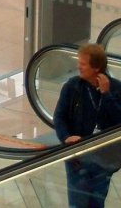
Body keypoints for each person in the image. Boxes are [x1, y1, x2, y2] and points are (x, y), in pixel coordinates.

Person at [53, 43, 121, 207]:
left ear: (96, 68)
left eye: (83, 64)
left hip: (104, 159)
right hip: (77, 156)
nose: (79, 67)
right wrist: (67, 137)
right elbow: (59, 116)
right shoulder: (72, 86)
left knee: (97, 202)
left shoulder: (117, 88)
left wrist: (106, 95)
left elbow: (118, 121)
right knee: (77, 203)